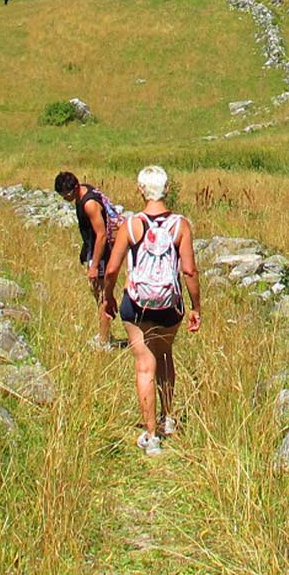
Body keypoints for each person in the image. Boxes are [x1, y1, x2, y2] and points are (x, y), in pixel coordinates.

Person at [101, 164, 200, 454]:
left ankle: (151, 436)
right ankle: (168, 418)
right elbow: (190, 271)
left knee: (145, 364)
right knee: (165, 354)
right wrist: (196, 307)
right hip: (170, 305)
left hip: (137, 305)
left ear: (140, 190)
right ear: (167, 189)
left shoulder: (130, 226)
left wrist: (107, 298)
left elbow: (113, 268)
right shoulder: (180, 225)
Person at [54, 170, 123, 347]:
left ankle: (104, 340)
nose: (66, 199)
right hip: (93, 250)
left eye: (67, 195)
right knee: (98, 292)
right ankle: (105, 334)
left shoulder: (89, 204)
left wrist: (94, 266)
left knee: (102, 294)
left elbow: (101, 235)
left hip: (102, 251)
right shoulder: (82, 193)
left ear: (75, 187)